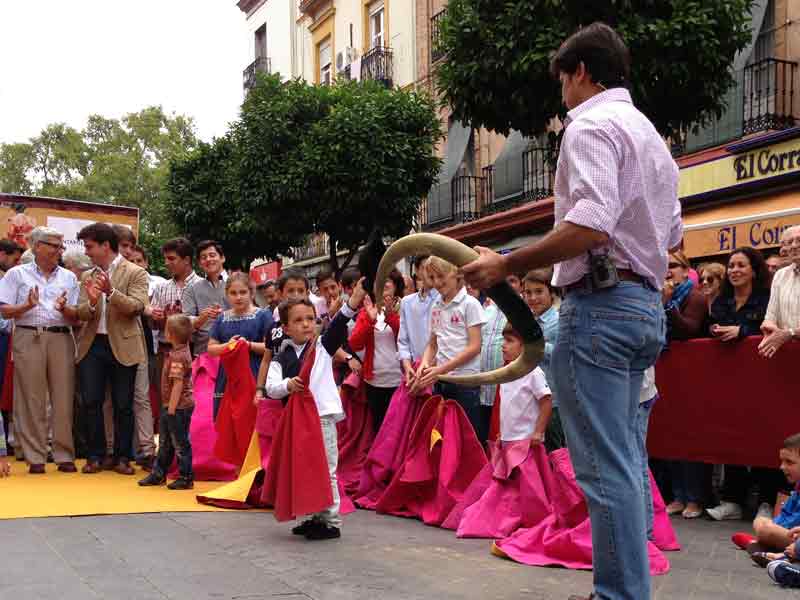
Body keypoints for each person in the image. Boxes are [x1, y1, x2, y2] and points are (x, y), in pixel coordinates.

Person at [461, 23, 681, 600]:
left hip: (604, 307)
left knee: (605, 471)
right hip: (641, 308)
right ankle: (625, 590)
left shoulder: (589, 124)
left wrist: (507, 265)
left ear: (580, 72)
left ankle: (619, 595)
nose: (562, 95)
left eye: (563, 81)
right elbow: (671, 230)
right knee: (626, 463)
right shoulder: (650, 136)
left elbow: (591, 223)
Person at [266, 281, 367, 540]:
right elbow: (271, 388)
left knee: (326, 468)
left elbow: (339, 323)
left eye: (310, 318)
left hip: (321, 418)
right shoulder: (281, 358)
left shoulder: (322, 346)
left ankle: (331, 521)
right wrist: (289, 385)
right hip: (297, 422)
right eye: (298, 320)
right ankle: (314, 515)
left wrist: (354, 299)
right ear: (285, 328)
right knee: (306, 469)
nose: (306, 324)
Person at [64, 223, 149, 475]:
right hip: (93, 345)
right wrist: (90, 303)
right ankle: (95, 456)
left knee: (124, 404)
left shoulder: (135, 272)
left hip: (123, 344)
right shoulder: (87, 276)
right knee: (91, 402)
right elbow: (80, 313)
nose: (87, 252)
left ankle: (123, 457)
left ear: (105, 245)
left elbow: (137, 307)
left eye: (90, 247)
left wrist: (111, 292)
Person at [0, 227, 79, 474]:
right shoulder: (16, 274)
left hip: (61, 337)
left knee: (63, 397)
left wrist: (66, 309)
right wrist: (26, 305)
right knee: (31, 398)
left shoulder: (69, 277)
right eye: (54, 245)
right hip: (28, 334)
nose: (59, 250)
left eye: (60, 245)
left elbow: (76, 316)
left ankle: (64, 453)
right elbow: (4, 310)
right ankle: (36, 457)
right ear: (37, 246)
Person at [414, 256, 486, 439]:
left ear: (456, 273)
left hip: (465, 383)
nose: (436, 282)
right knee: (445, 436)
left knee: (468, 437)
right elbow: (432, 344)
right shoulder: (436, 306)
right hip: (441, 381)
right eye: (431, 277)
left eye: (441, 276)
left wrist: (440, 369)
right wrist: (424, 363)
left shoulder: (470, 304)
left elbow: (474, 347)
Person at [138, 314, 195, 489]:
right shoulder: (178, 352)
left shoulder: (178, 357)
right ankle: (159, 473)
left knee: (179, 443)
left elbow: (177, 385)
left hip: (177, 407)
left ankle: (186, 477)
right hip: (171, 406)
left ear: (170, 335)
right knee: (165, 442)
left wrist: (171, 409)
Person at [206, 273, 271, 418]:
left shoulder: (263, 316)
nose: (238, 297)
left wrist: (248, 345)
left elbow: (270, 348)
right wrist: (228, 346)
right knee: (228, 422)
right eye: (233, 293)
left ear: (251, 292)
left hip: (255, 374)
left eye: (243, 292)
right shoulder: (222, 318)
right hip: (227, 378)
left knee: (253, 421)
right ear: (227, 294)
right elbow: (211, 349)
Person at [729, 434, 800, 565]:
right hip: (792, 535)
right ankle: (764, 546)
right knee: (761, 520)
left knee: (767, 530)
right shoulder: (797, 488)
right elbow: (786, 514)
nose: (782, 467)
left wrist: (772, 530)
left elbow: (794, 521)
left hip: (796, 538)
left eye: (789, 462)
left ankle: (761, 547)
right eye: (782, 461)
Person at [348, 270, 404, 433]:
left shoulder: (406, 306)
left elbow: (408, 340)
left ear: (395, 284)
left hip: (400, 380)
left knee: (399, 430)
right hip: (375, 381)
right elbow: (355, 343)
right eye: (379, 280)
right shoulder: (367, 311)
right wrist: (370, 320)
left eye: (387, 280)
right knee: (379, 429)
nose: (383, 284)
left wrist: (391, 317)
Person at [149, 238, 200, 402]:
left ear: (186, 260)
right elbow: (153, 325)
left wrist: (181, 322)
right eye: (165, 258)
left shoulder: (202, 286)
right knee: (165, 397)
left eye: (171, 258)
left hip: (193, 351)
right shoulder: (161, 287)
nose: (166, 263)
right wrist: (158, 318)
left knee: (190, 399)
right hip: (165, 351)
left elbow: (207, 323)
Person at [522, 268, 566, 451]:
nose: (533, 298)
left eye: (539, 292)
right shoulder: (527, 321)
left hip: (553, 402)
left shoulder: (558, 321)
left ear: (552, 292)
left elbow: (562, 355)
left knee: (555, 454)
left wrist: (535, 346)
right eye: (528, 293)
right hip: (530, 399)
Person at [254, 269, 312, 403]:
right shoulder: (273, 329)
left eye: (301, 291)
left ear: (307, 294)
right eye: (291, 291)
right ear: (280, 294)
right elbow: (266, 360)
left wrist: (347, 358)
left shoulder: (312, 327)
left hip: (307, 393)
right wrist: (259, 389)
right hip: (279, 396)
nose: (296, 295)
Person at [707, 247, 770, 341]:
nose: (734, 270)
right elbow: (709, 325)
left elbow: (770, 328)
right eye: (731, 266)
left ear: (754, 271)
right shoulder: (720, 300)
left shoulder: (767, 299)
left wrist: (742, 331)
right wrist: (713, 329)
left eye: (741, 265)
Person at [397, 256, 440, 385]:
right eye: (425, 268)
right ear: (416, 271)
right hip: (415, 372)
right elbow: (403, 340)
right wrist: (407, 365)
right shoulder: (407, 302)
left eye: (434, 268)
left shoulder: (445, 298)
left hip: (441, 371)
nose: (431, 273)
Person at [182, 240, 229, 357]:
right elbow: (186, 321)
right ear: (199, 263)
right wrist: (200, 319)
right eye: (203, 257)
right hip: (203, 352)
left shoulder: (238, 283)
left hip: (232, 347)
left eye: (212, 255)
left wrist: (226, 315)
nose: (208, 259)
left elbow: (250, 311)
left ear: (222, 258)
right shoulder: (192, 288)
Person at [759, 225, 800, 358]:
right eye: (789, 242)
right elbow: (770, 316)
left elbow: (786, 334)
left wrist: (789, 333)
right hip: (788, 356)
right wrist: (769, 328)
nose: (793, 245)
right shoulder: (780, 275)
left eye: (799, 240)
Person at [663, 250, 705, 340]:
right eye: (662, 266)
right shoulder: (656, 296)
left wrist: (668, 304)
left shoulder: (696, 296)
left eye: (672, 266)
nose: (666, 270)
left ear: (685, 271)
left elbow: (688, 331)